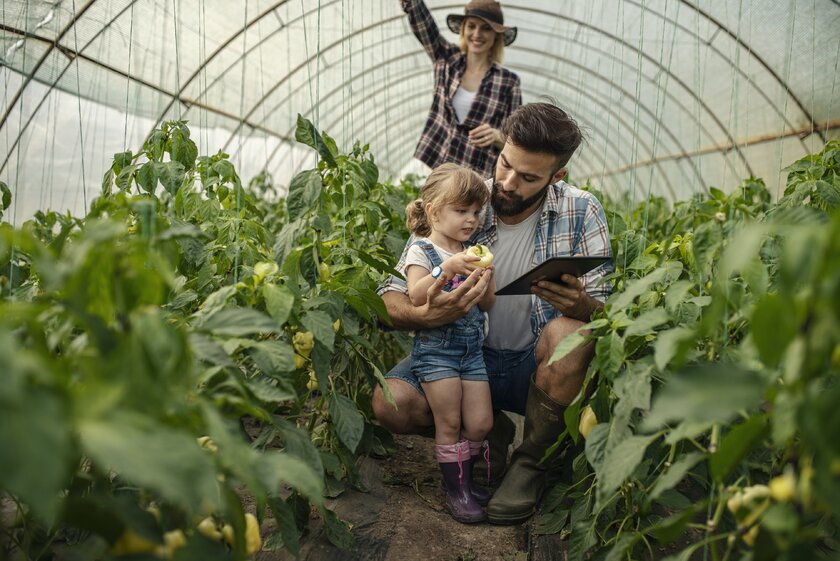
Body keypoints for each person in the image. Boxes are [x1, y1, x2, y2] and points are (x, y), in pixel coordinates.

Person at [373, 102, 613, 525]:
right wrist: (426, 316)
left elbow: (608, 314)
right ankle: (487, 431)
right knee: (392, 404)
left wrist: (584, 306)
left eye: (528, 177)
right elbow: (388, 300)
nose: (506, 182)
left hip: (530, 366)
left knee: (573, 335)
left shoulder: (582, 211)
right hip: (461, 354)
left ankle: (530, 464)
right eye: (505, 164)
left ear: (557, 177)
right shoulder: (465, 200)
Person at [399, 163, 497, 524]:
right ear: (434, 211)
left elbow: (488, 304)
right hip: (437, 350)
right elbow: (416, 295)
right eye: (461, 211)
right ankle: (457, 491)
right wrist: (450, 268)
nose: (471, 219)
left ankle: (467, 481)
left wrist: (487, 278)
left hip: (471, 351)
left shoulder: (472, 250)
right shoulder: (422, 252)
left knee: (482, 421)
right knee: (450, 421)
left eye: (476, 212)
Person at [401, 0, 522, 178]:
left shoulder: (508, 82)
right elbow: (423, 22)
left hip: (474, 176)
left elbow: (517, 140)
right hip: (432, 166)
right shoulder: (447, 59)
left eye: (486, 28)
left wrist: (497, 136)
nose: (477, 34)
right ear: (463, 29)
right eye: (471, 26)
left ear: (496, 35)